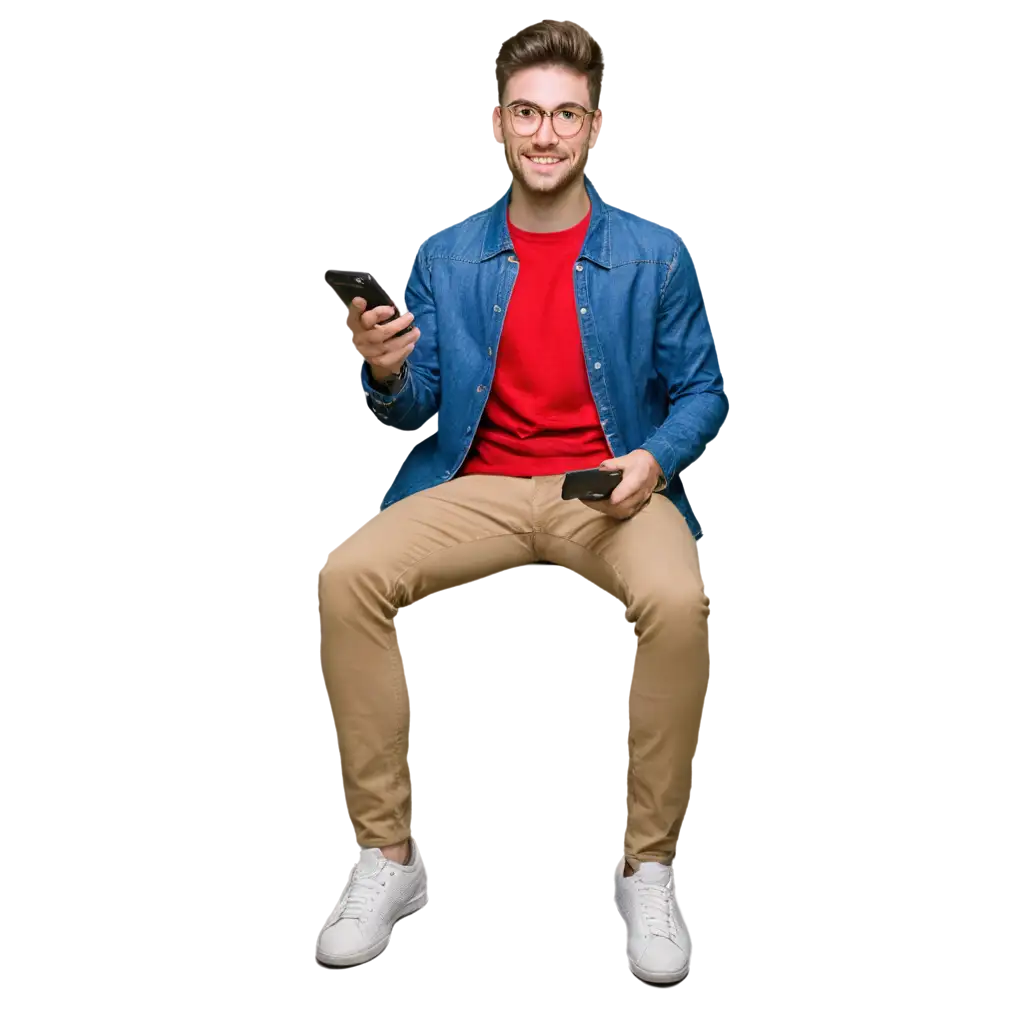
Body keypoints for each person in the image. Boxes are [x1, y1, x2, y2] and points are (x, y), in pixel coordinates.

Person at [310, 14, 728, 984]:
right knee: (345, 573)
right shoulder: (446, 255)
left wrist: (653, 462)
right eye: (526, 113)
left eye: (565, 115)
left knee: (675, 599)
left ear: (595, 127)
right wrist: (381, 371)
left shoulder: (653, 255)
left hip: (606, 489)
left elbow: (702, 389)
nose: (545, 134)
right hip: (482, 485)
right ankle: (387, 858)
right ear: (494, 125)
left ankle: (647, 864)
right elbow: (418, 404)